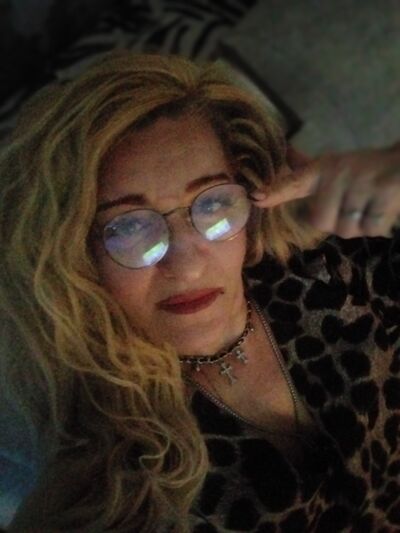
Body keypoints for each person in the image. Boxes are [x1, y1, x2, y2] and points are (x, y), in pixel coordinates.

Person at [0, 50, 399, 532]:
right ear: (72, 255)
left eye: (211, 204)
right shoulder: (117, 469)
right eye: (127, 227)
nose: (187, 267)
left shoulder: (330, 270)